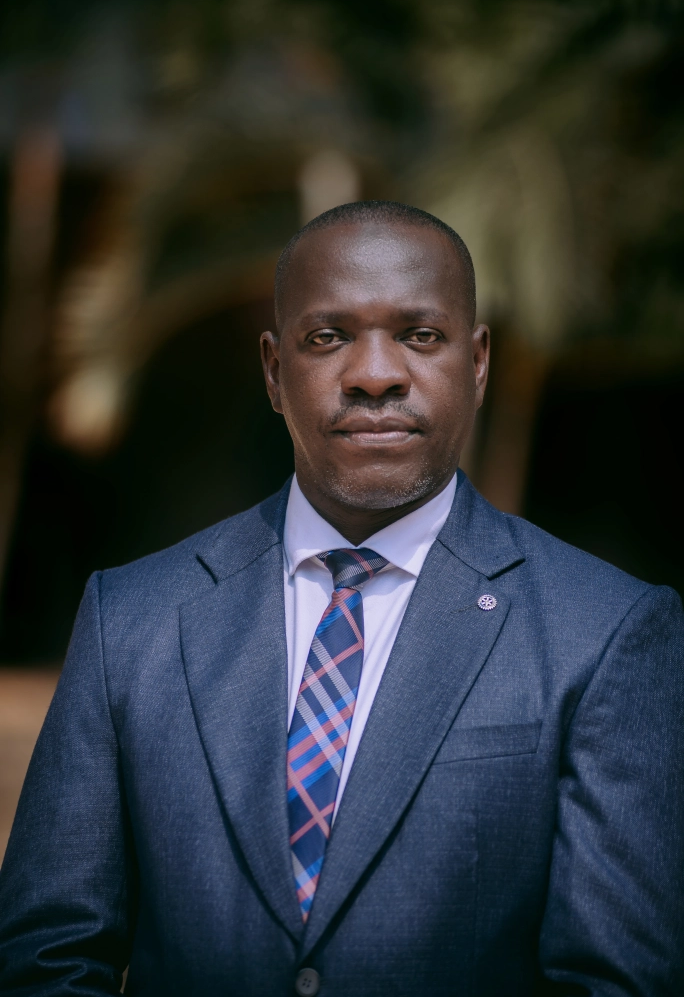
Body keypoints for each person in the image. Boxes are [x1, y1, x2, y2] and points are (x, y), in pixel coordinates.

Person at [0, 201, 682, 997]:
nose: (375, 374)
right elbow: (47, 955)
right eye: (328, 337)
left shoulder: (604, 631)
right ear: (272, 370)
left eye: (420, 335)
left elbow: (617, 982)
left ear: (478, 362)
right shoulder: (131, 619)